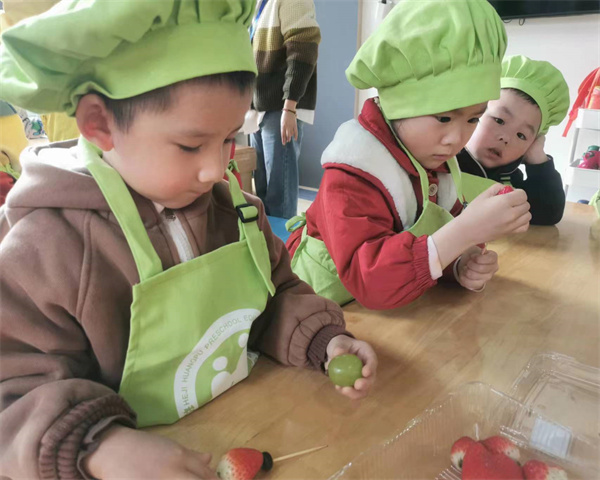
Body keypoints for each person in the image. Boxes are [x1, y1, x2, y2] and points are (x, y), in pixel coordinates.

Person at [0, 1, 377, 478]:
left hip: (250, 426)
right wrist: (98, 448)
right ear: (100, 124)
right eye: (190, 145)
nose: (216, 170)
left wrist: (324, 339)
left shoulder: (238, 212)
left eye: (228, 139)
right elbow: (15, 390)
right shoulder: (47, 248)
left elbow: (275, 298)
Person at [285, 0, 531, 310]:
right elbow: (370, 281)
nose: (457, 139)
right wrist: (465, 231)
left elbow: (438, 234)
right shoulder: (352, 174)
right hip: (317, 309)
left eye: (473, 119)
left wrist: (461, 262)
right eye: (444, 117)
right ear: (399, 105)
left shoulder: (435, 163)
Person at [458, 55, 570, 225]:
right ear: (475, 112)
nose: (506, 138)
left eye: (521, 135)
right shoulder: (443, 163)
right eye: (499, 120)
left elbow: (549, 214)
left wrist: (538, 160)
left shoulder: (511, 182)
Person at [246, 0, 320, 219]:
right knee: (262, 191)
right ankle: (267, 239)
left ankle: (283, 240)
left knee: (279, 196)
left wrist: (289, 108)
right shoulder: (258, 4)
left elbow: (303, 49)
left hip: (281, 108)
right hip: (260, 108)